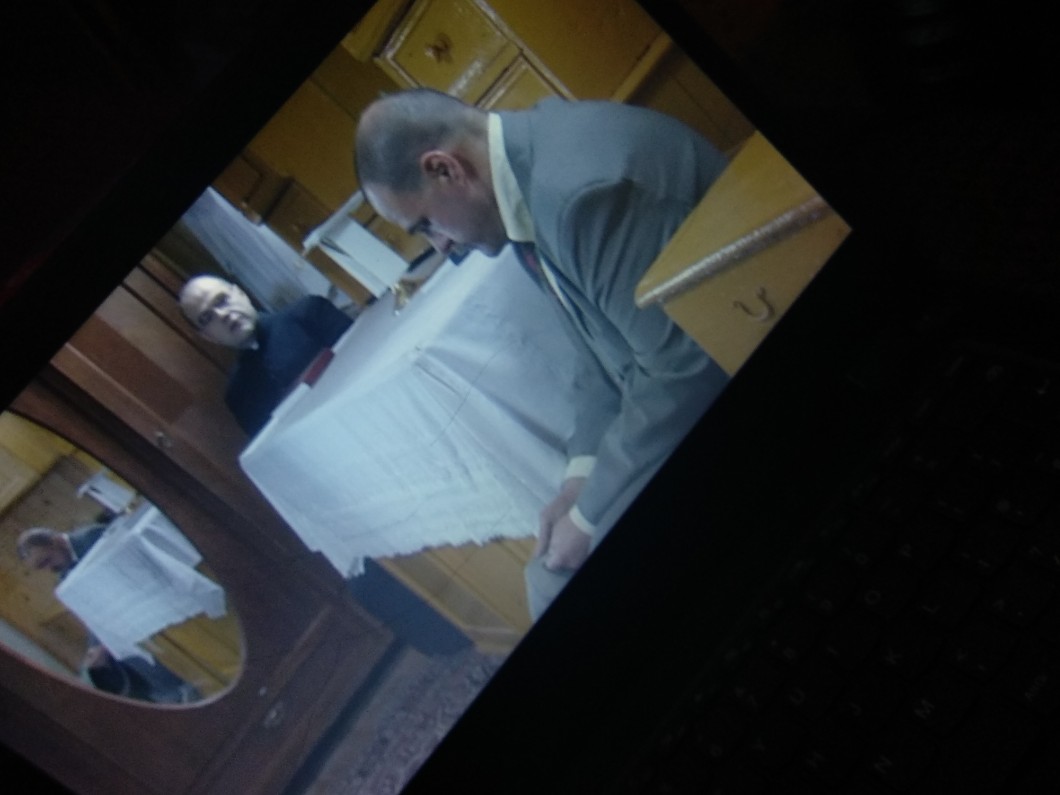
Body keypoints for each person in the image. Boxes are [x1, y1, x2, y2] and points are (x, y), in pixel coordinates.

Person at [355, 89, 731, 617]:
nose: (439, 245)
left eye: (425, 225)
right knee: (549, 568)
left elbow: (685, 368)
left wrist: (589, 516)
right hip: (681, 379)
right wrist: (580, 476)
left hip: (726, 361)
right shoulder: (527, 179)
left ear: (444, 170)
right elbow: (593, 353)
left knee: (555, 583)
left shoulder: (578, 195)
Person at [17, 525, 199, 704]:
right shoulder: (65, 576)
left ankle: (178, 690)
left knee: (121, 647)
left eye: (46, 560)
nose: (49, 569)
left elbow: (128, 582)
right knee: (97, 667)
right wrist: (94, 649)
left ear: (56, 541)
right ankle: (166, 697)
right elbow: (92, 615)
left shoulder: (92, 539)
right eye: (41, 567)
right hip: (124, 614)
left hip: (151, 597)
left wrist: (103, 645)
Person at [178, 275, 354, 436]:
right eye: (207, 318)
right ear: (207, 336)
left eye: (222, 300)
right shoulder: (238, 396)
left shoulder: (310, 313)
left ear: (240, 293)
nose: (222, 315)